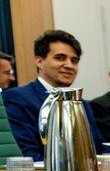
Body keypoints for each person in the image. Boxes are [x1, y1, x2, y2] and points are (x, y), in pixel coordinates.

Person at [2, 30, 103, 160]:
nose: (69, 65)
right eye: (60, 58)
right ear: (39, 61)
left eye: (74, 61)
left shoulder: (82, 104)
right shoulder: (17, 98)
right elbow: (27, 155)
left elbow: (99, 149)